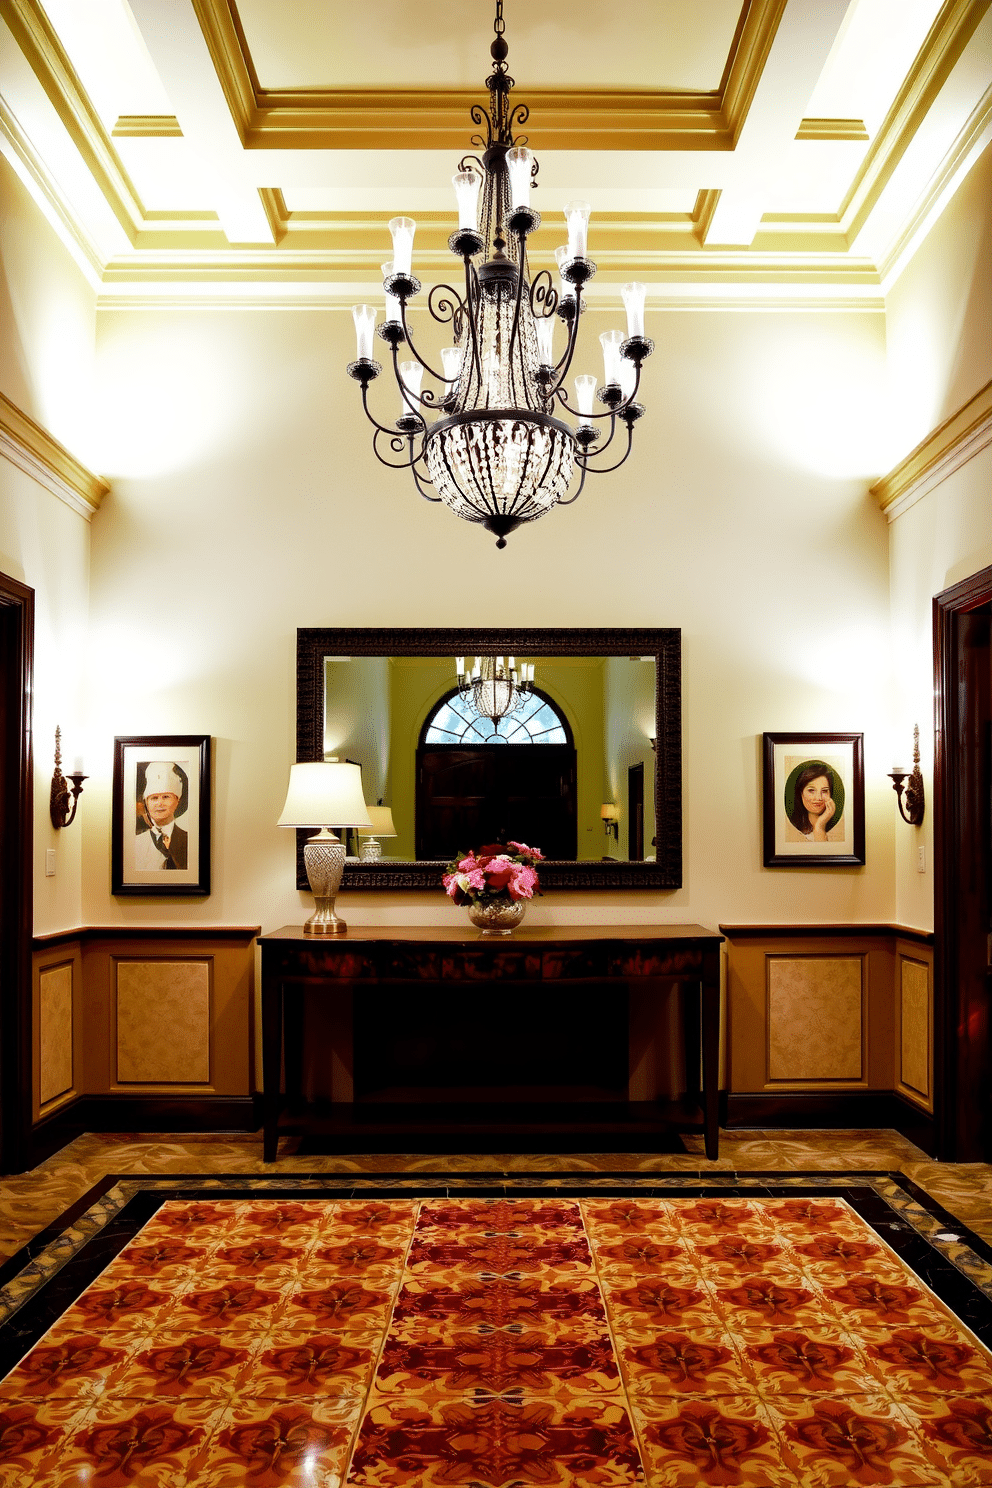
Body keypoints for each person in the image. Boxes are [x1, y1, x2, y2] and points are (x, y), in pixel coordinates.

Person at [134, 762, 188, 869]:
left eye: (166, 797)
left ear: (177, 800)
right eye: (154, 798)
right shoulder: (136, 843)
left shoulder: (189, 840)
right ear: (146, 802)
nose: (160, 803)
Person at [788, 762, 841, 842]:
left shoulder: (837, 832)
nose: (818, 798)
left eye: (824, 791)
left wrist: (819, 826)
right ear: (801, 793)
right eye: (811, 790)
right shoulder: (792, 833)